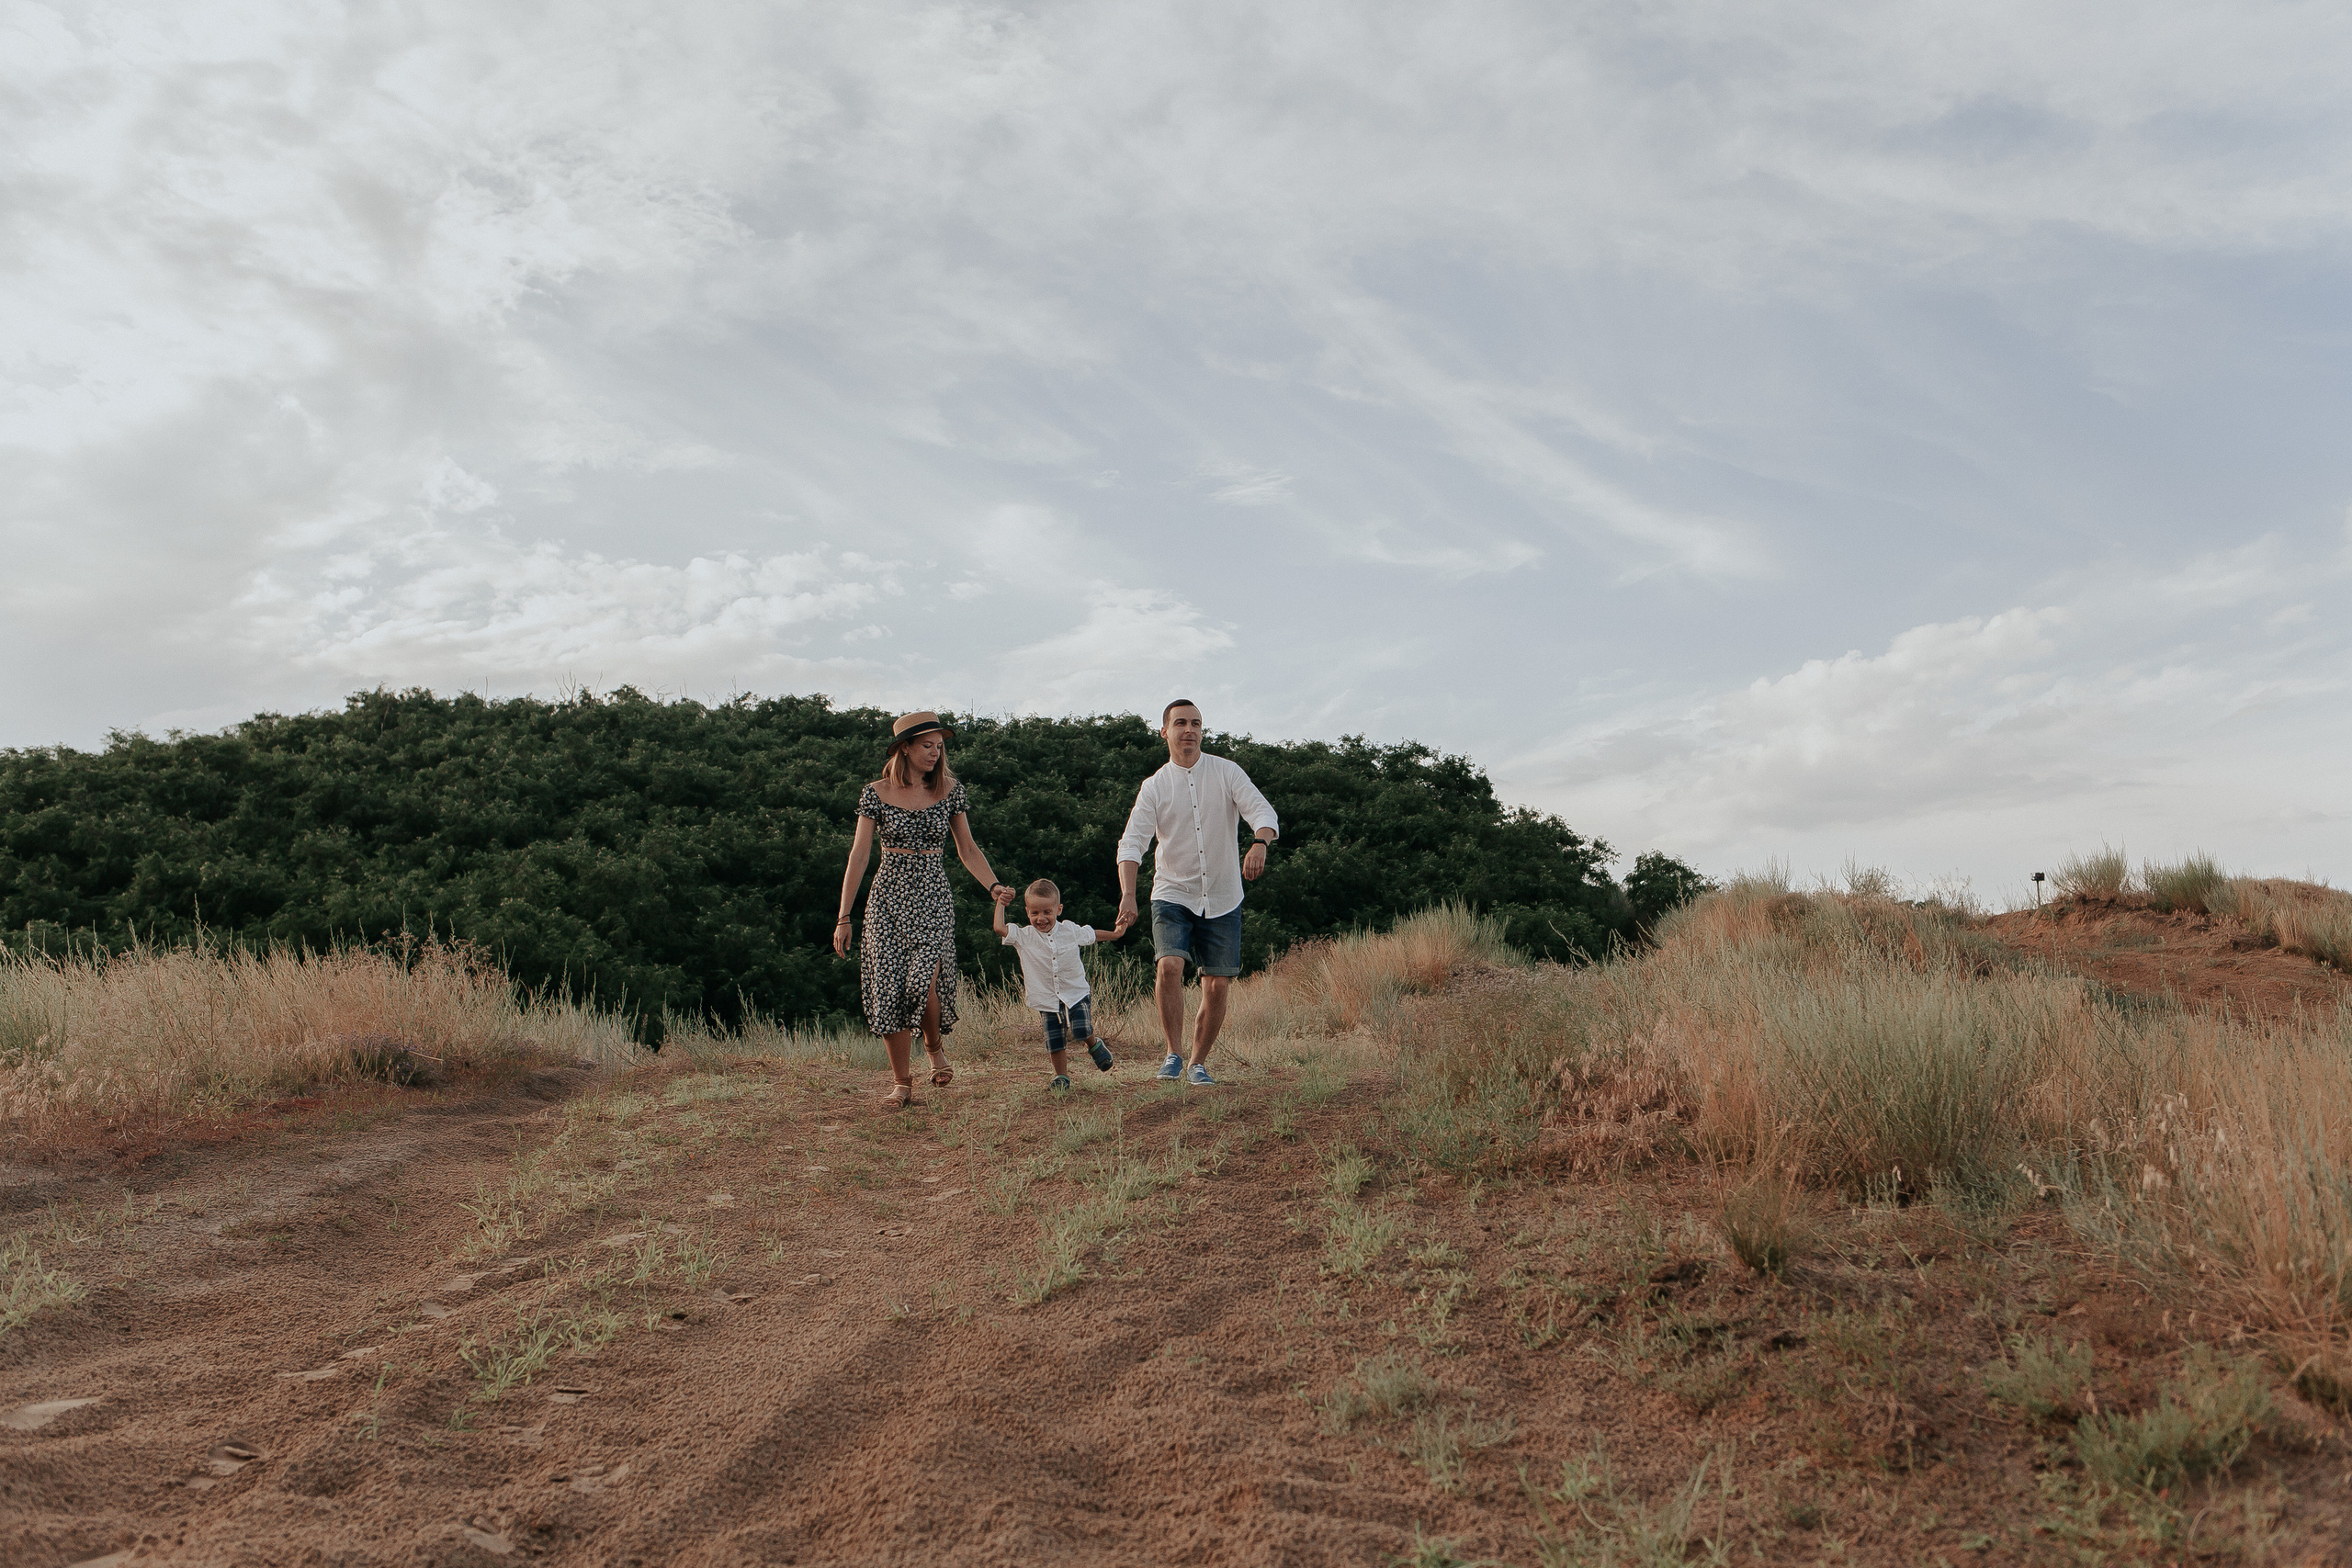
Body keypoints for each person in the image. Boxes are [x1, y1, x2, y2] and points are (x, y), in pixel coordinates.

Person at [833, 712, 1013, 1109]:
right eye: (927, 746)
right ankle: (902, 1083)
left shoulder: (950, 789)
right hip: (887, 897)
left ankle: (933, 1045)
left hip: (932, 894)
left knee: (923, 981)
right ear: (905, 748)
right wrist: (844, 915)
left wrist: (994, 885)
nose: (935, 753)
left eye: (939, 746)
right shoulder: (875, 792)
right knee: (889, 988)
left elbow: (967, 848)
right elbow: (860, 855)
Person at [1115, 699, 1279, 1086]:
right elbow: (1131, 843)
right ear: (1165, 732)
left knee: (1217, 983)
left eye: (1196, 724)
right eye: (1181, 723)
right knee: (1169, 965)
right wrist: (1127, 894)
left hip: (1224, 895)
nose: (1189, 730)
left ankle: (1198, 1062)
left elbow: (1262, 811)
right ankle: (1173, 1054)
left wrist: (1260, 843)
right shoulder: (1154, 786)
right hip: (1172, 892)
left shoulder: (1226, 772)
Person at [993, 878, 1133, 1090]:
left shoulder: (1069, 930)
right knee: (1054, 1039)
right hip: (1047, 998)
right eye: (1034, 913)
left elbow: (1092, 935)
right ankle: (1062, 1077)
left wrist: (1116, 934)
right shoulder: (1024, 936)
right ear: (1027, 911)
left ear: (1058, 909)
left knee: (1081, 1030)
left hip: (1075, 991)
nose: (1041, 918)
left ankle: (1094, 1045)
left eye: (1047, 912)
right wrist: (1001, 903)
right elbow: (999, 928)